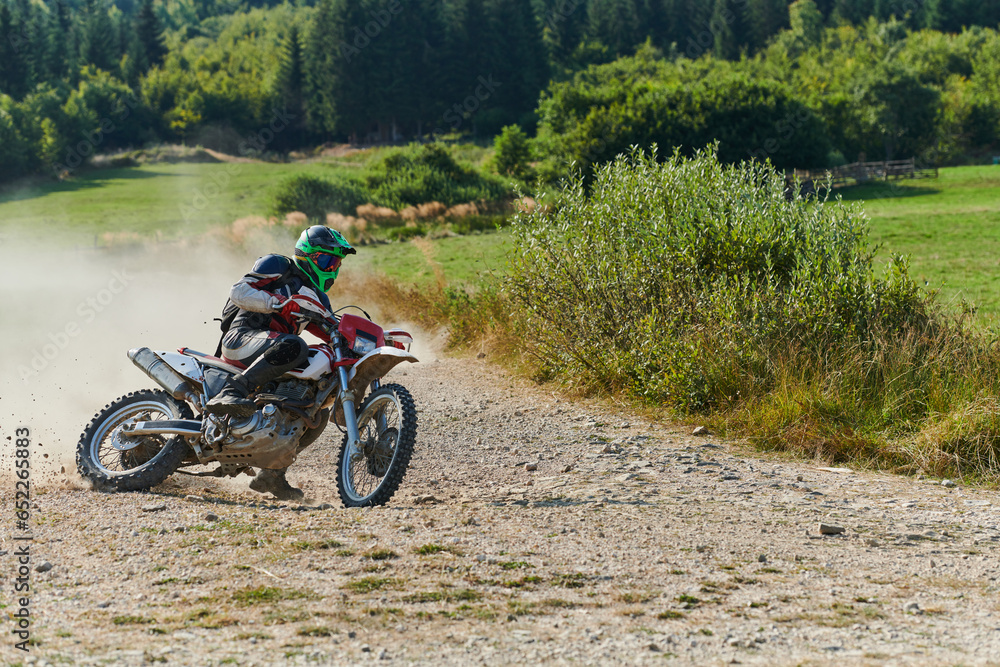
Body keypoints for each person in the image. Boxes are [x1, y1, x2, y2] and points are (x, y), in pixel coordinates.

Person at [205, 225, 355, 499]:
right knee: (295, 344)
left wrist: (362, 341)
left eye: (336, 262)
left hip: (275, 353)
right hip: (243, 337)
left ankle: (272, 475)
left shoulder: (320, 298)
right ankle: (232, 391)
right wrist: (278, 302)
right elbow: (239, 291)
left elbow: (333, 334)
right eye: (326, 260)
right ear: (307, 255)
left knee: (315, 407)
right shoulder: (279, 265)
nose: (332, 267)